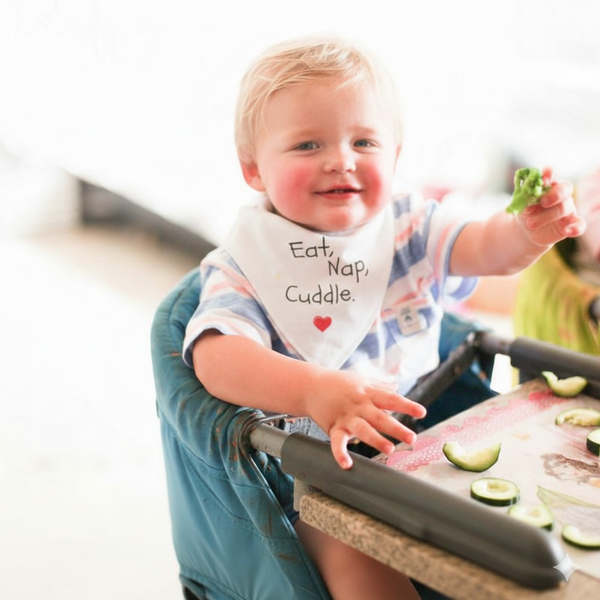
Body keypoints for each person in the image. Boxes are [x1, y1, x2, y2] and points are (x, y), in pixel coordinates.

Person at [182, 36, 585, 600]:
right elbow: (216, 357)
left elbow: (483, 246)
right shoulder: (247, 265)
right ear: (253, 169)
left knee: (525, 530)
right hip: (320, 475)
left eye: (364, 141)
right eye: (306, 144)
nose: (341, 159)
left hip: (430, 433)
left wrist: (525, 232)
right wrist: (313, 389)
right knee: (354, 556)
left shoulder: (408, 227)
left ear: (394, 156)